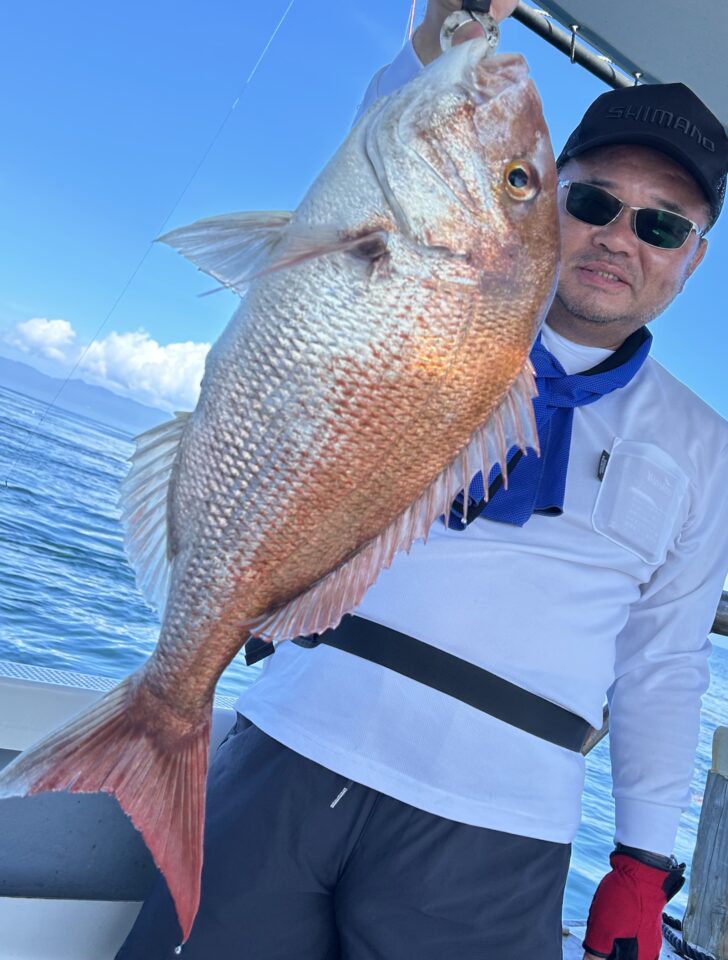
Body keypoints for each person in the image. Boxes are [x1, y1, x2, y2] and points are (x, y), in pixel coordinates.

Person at [117, 2, 728, 958]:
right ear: (551, 204)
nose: (620, 237)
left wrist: (644, 865)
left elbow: (665, 662)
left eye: (660, 223)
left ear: (693, 258)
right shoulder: (430, 302)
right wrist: (447, 27)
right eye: (592, 203)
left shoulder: (705, 447)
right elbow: (395, 152)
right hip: (292, 741)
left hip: (501, 828)